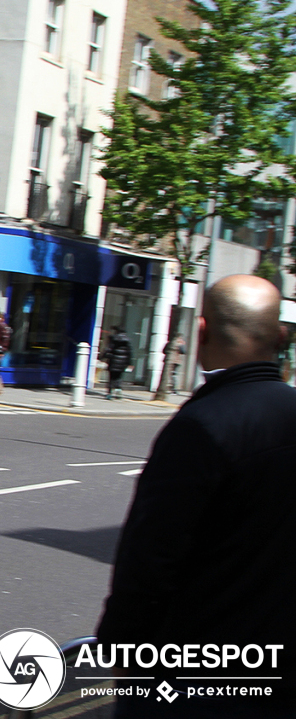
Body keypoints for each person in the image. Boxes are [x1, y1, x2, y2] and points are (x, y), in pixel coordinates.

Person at [97, 275, 296, 716]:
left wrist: (122, 653)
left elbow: (150, 560)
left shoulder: (200, 428)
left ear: (201, 332)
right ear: (280, 337)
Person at [102, 326, 133, 400]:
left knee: (111, 377)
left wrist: (102, 357)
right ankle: (118, 390)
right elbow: (129, 353)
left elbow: (108, 350)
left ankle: (110, 393)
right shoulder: (127, 341)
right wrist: (129, 363)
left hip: (113, 361)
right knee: (118, 377)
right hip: (122, 363)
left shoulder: (114, 339)